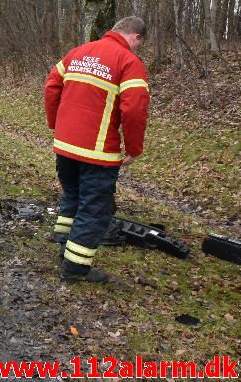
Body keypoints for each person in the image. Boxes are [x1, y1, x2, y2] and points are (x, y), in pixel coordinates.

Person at [44, 16, 150, 283]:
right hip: (97, 153)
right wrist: (134, 148)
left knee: (72, 195)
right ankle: (76, 268)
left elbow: (51, 87)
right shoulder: (129, 62)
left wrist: (55, 123)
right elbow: (135, 109)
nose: (137, 48)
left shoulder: (77, 52)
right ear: (135, 36)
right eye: (139, 43)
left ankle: (64, 244)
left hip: (65, 145)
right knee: (94, 208)